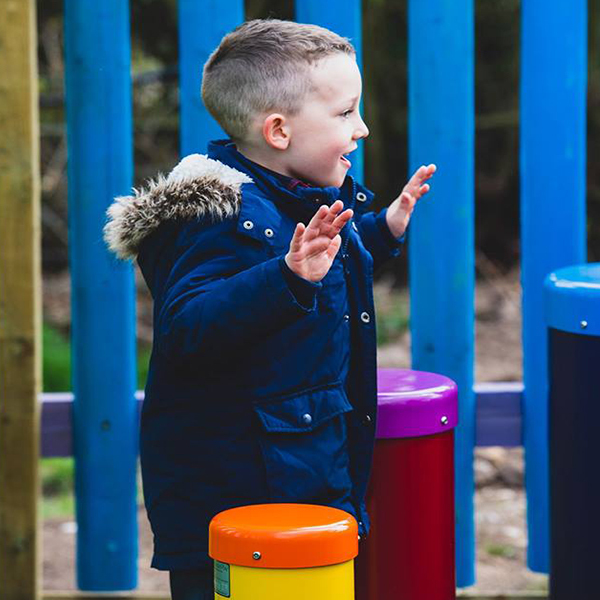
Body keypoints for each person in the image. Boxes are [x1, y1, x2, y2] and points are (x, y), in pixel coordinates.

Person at [105, 18, 435, 600]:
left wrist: (380, 233)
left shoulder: (299, 200)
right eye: (344, 113)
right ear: (278, 130)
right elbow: (189, 327)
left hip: (304, 466)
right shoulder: (218, 216)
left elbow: (322, 282)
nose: (362, 129)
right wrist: (285, 276)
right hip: (240, 495)